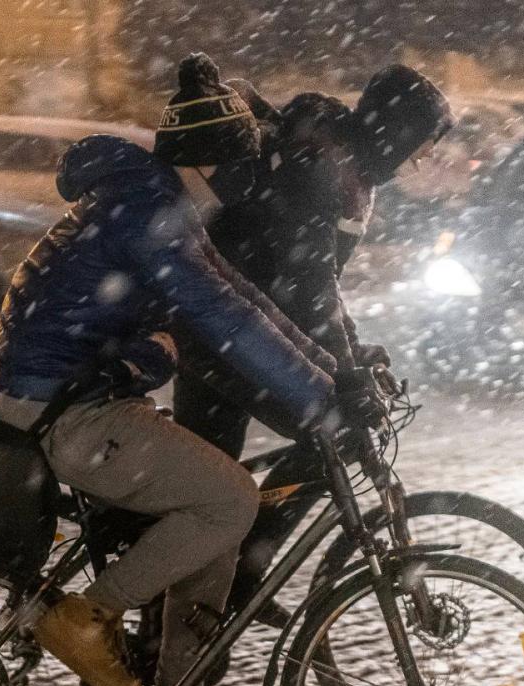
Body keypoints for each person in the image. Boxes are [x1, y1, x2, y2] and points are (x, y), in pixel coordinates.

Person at [0, 53, 342, 686]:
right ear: (219, 164)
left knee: (217, 514)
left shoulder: (158, 204)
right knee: (232, 498)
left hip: (78, 395)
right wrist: (317, 400)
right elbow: (227, 320)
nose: (252, 180)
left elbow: (244, 299)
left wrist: (332, 369)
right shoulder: (152, 214)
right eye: (243, 164)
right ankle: (86, 617)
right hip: (68, 412)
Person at [171, 64, 453, 610]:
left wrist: (351, 351)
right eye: (419, 144)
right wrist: (344, 370)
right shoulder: (320, 165)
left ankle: (188, 620)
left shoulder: (338, 160)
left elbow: (317, 284)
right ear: (394, 133)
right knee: (335, 431)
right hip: (225, 333)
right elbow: (308, 284)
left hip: (226, 328)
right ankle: (239, 577)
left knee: (205, 491)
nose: (420, 159)